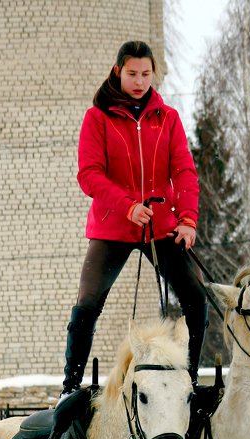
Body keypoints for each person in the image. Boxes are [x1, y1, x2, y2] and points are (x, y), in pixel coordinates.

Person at [59, 40, 208, 400]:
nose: (139, 81)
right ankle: (70, 387)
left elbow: (184, 171)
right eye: (132, 74)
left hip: (161, 226)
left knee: (196, 298)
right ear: (118, 72)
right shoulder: (98, 117)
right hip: (114, 225)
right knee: (87, 304)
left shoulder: (167, 118)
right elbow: (89, 174)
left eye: (145, 73)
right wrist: (127, 205)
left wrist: (187, 219)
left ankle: (188, 376)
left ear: (153, 73)